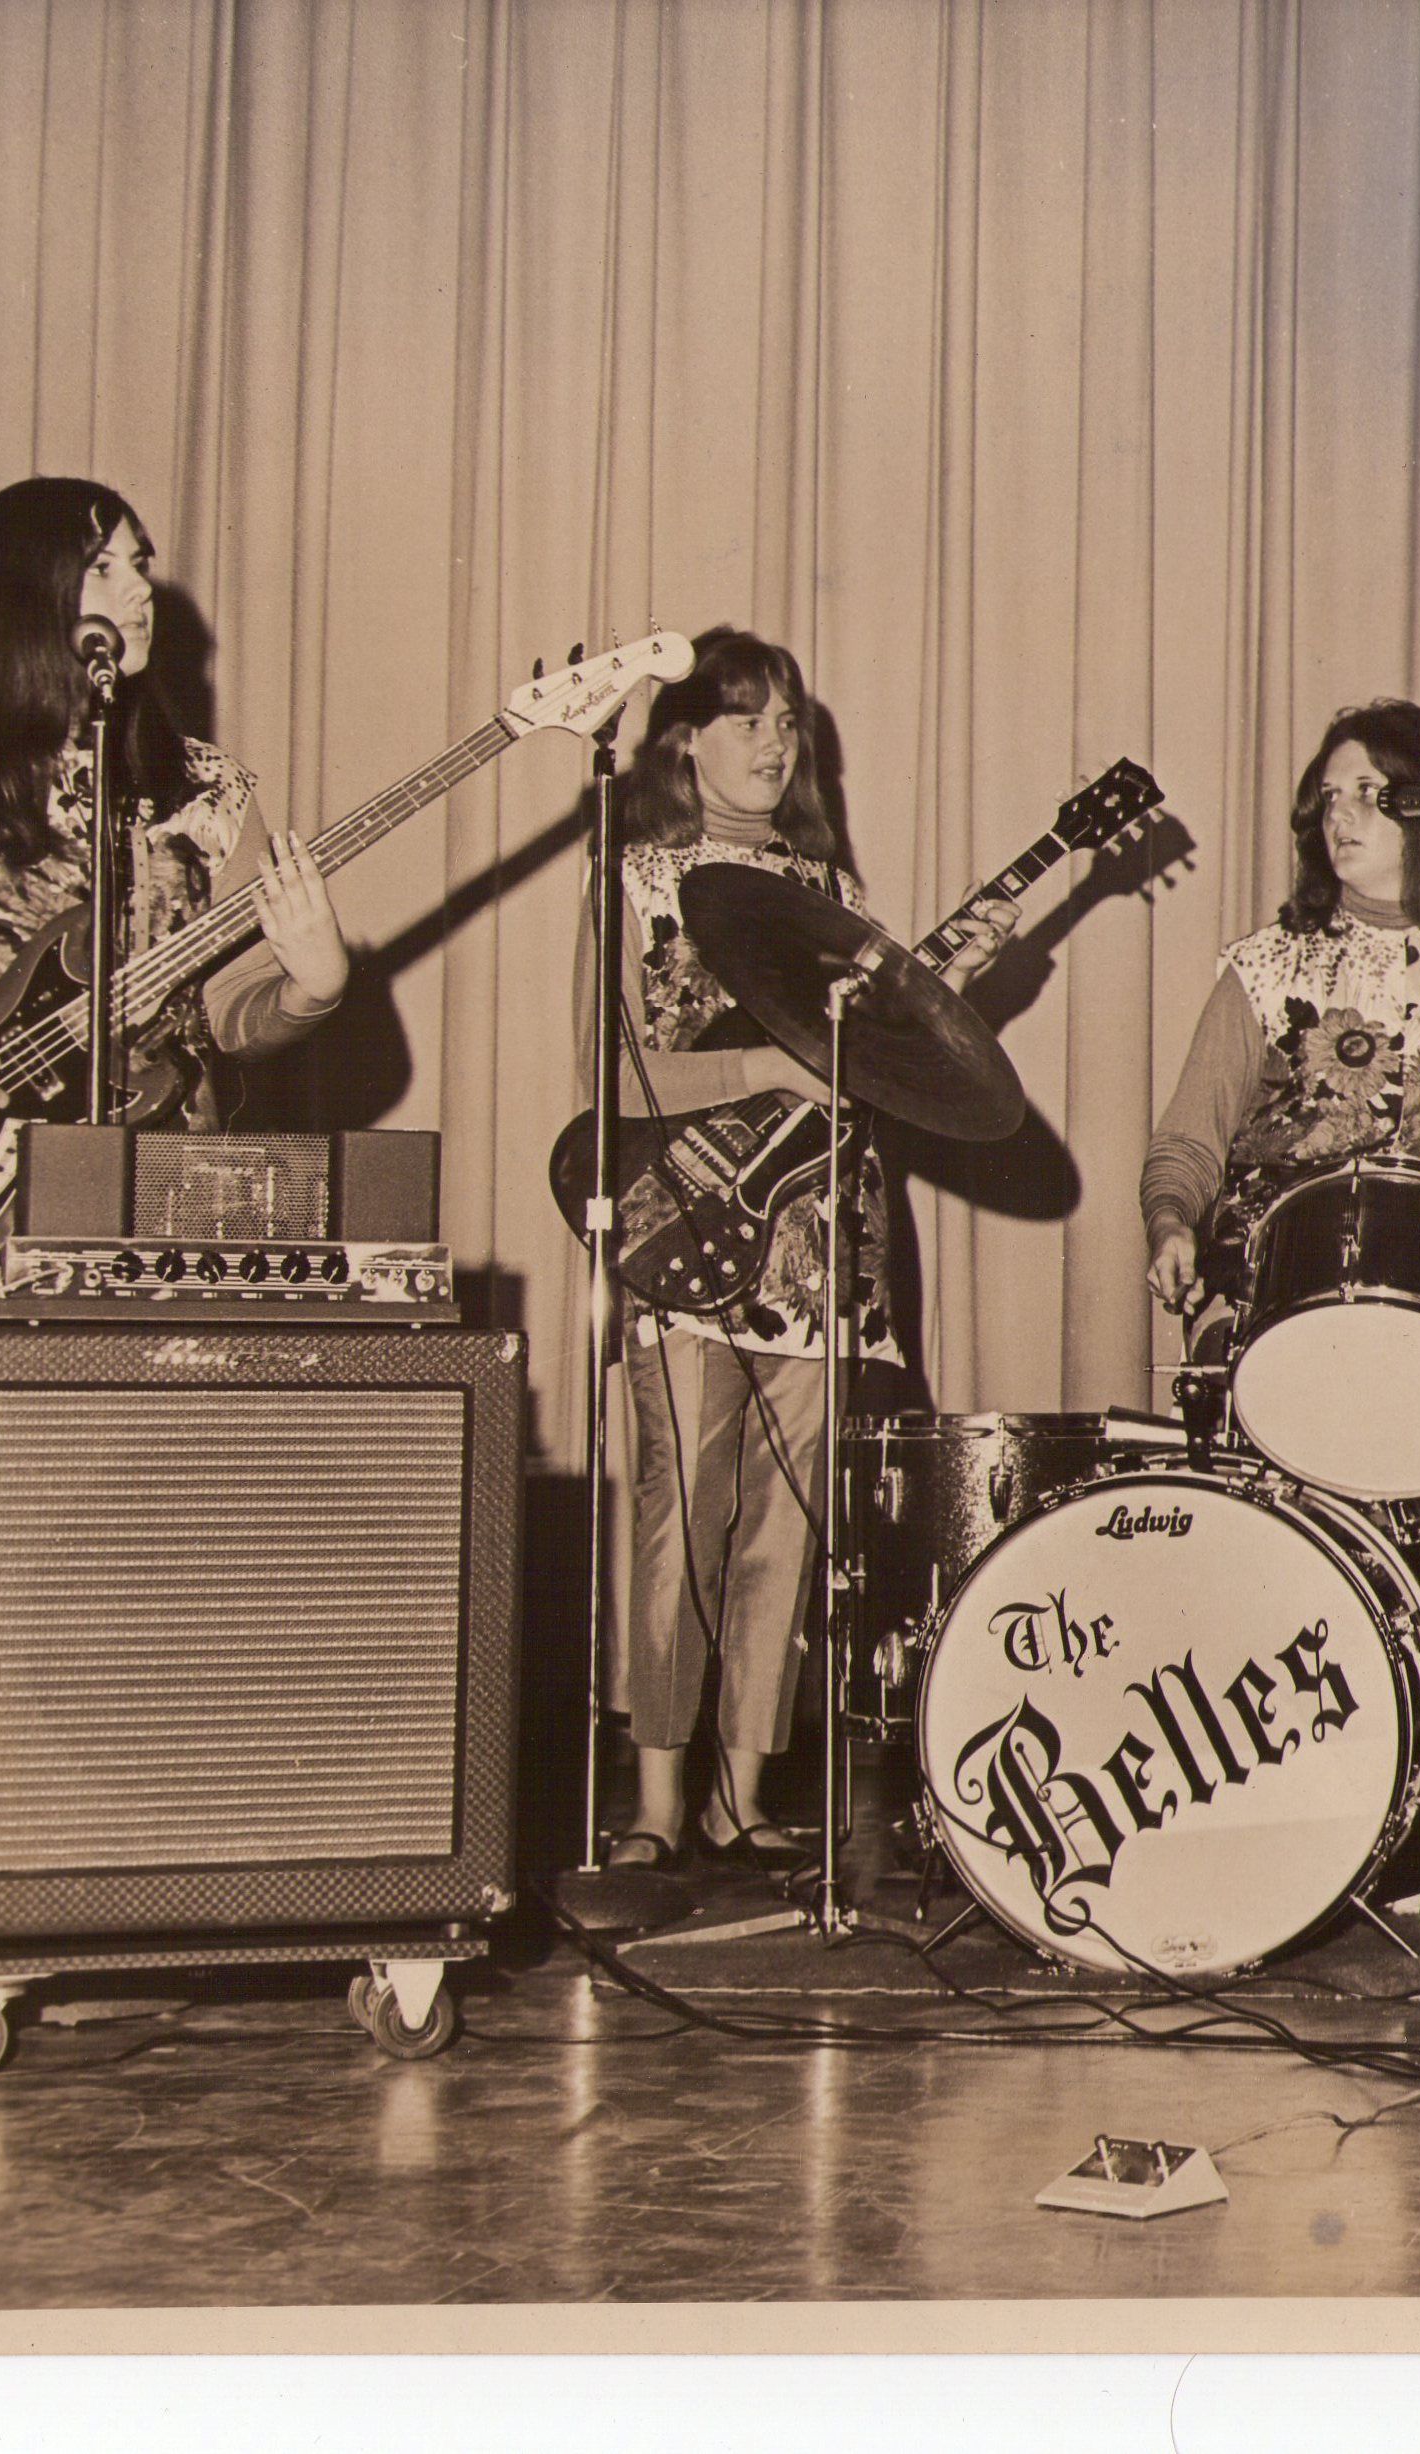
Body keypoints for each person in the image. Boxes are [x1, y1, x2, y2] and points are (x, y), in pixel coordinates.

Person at [575, 625, 1009, 1875]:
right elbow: (611, 1075)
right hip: (686, 1228)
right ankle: (654, 1801)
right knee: (680, 1509)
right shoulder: (638, 882)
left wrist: (946, 1001)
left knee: (789, 1522)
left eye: (788, 722)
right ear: (682, 742)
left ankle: (742, 1793)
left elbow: (880, 1070)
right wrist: (764, 1069)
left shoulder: (834, 898)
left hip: (820, 1242)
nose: (774, 743)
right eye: (746, 718)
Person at [0, 475, 350, 1284]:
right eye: (104, 567)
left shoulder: (210, 790)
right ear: (22, 596)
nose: (141, 588)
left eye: (139, 564)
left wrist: (310, 989)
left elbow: (229, 1017)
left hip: (169, 1198)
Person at [1144, 699, 1420, 1324]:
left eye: (1366, 791)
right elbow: (1189, 1138)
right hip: (1269, 1303)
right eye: (1329, 796)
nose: (1339, 814)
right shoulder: (1265, 967)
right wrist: (1170, 1223)